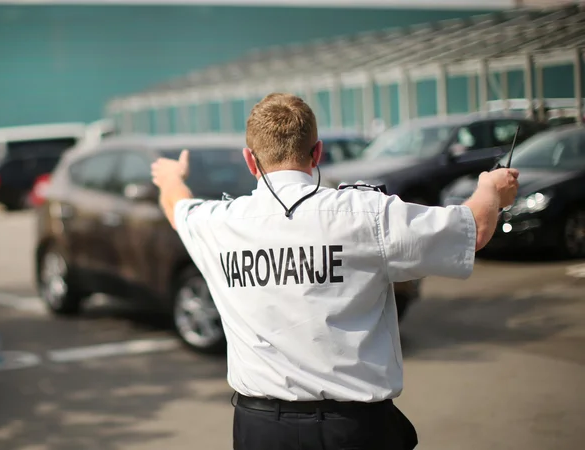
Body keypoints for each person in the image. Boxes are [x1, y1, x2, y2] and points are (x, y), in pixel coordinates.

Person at [150, 93, 519, 450]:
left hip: (261, 430)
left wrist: (170, 175)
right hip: (354, 429)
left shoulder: (219, 224)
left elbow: (177, 206)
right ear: (317, 152)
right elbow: (474, 230)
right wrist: (491, 189)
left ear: (250, 160)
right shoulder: (366, 213)